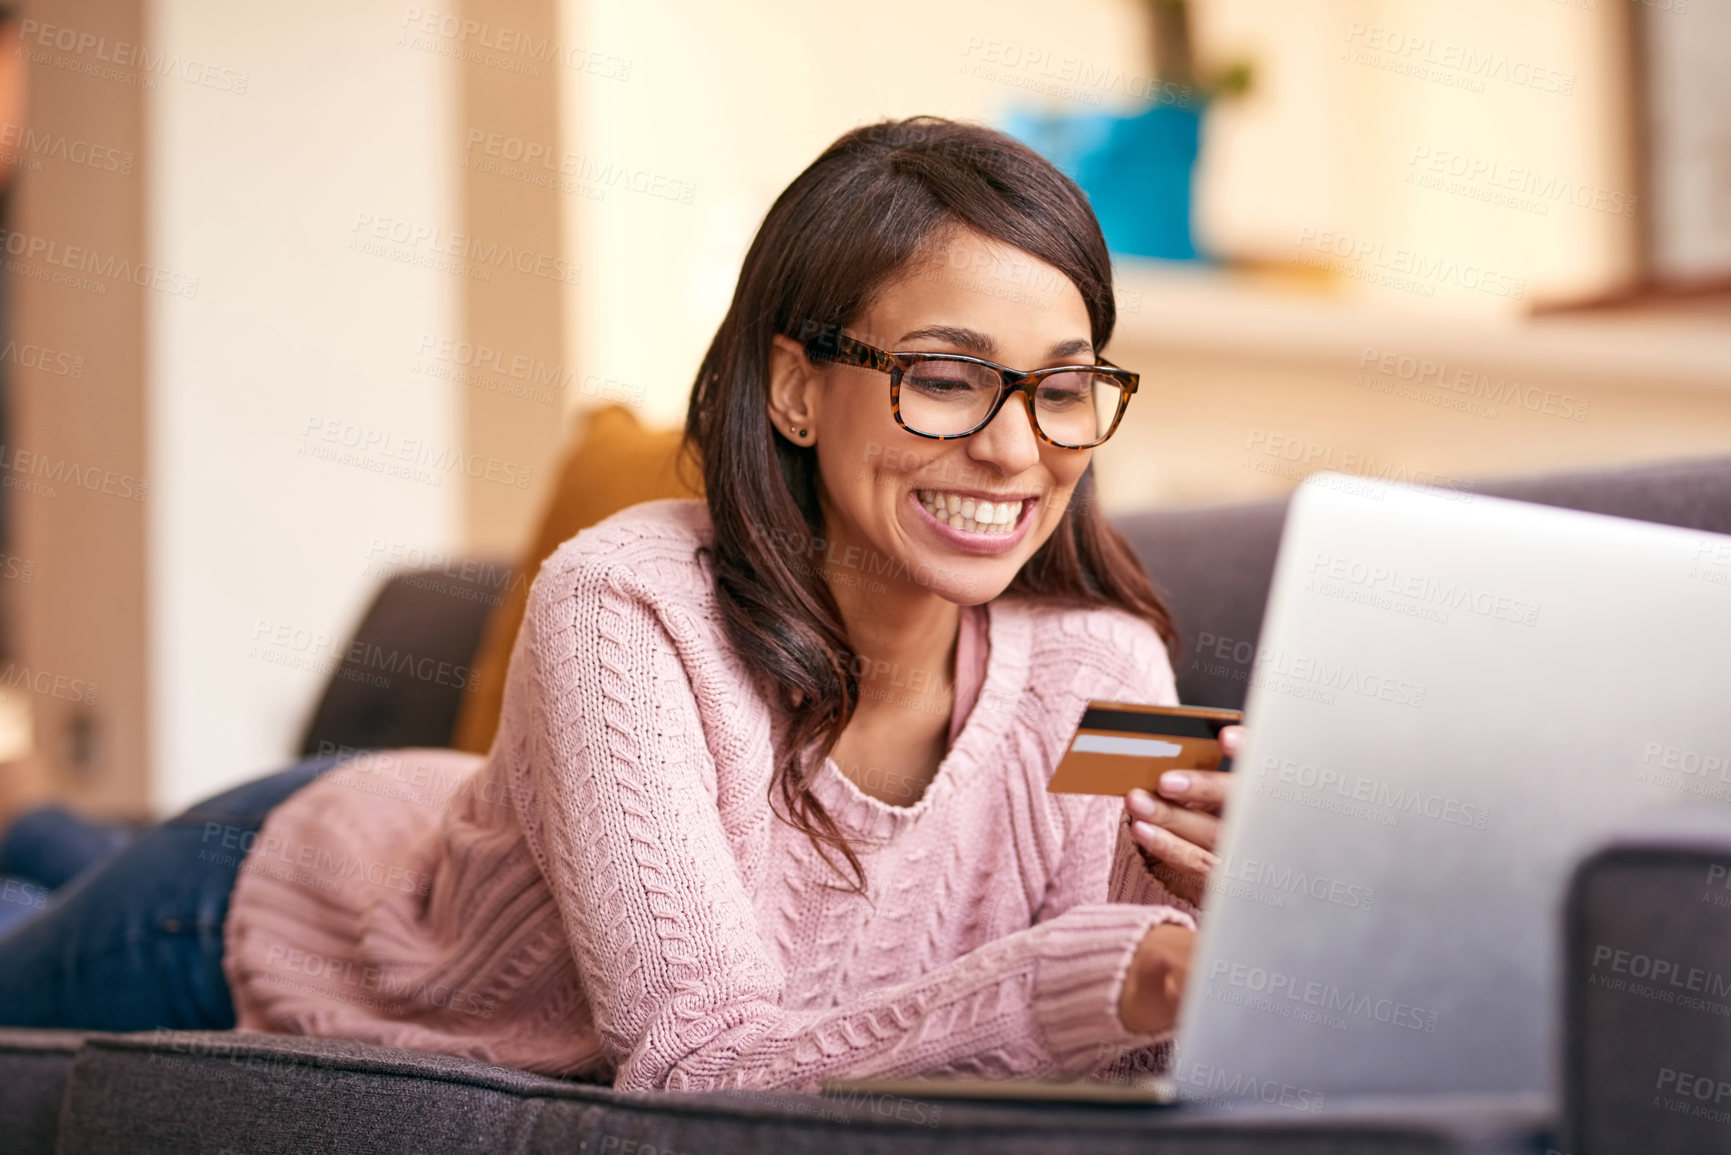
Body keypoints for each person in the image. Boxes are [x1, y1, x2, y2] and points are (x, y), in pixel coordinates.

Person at [0, 115, 1240, 1090]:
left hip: (467, 823)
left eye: (1063, 390)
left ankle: (45, 833)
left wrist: (1224, 937)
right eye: (948, 377)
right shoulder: (626, 605)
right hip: (279, 904)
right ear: (795, 390)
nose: (1017, 451)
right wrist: (1119, 975)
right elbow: (696, 1058)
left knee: (50, 855)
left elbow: (1114, 1061)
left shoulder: (1109, 672)